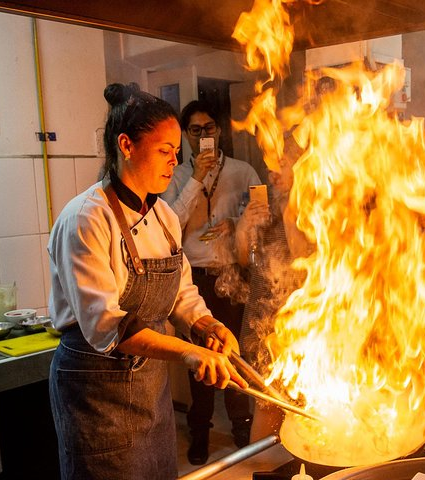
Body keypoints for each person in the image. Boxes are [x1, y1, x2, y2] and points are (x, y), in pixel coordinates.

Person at [47, 82, 247, 480]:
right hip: (97, 390)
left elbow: (181, 293)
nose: (174, 162)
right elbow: (108, 326)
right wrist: (190, 353)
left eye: (176, 152)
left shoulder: (164, 216)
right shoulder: (86, 218)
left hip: (148, 388)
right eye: (163, 151)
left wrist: (206, 324)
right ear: (126, 145)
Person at [160, 100, 260, 464]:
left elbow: (260, 217)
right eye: (196, 130)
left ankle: (241, 425)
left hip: (233, 276)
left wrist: (237, 224)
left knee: (236, 356)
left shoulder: (242, 170)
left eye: (210, 128)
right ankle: (200, 431)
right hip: (195, 282)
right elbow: (168, 224)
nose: (204, 136)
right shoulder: (173, 176)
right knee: (200, 363)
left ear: (219, 131)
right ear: (187, 136)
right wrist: (196, 179)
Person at [235, 136, 309, 442]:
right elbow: (245, 261)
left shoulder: (314, 205)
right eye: (269, 165)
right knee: (267, 407)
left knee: (301, 410)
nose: (272, 172)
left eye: (281, 164)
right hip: (261, 320)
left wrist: (290, 210)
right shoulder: (262, 204)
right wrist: (244, 226)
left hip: (298, 325)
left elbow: (304, 261)